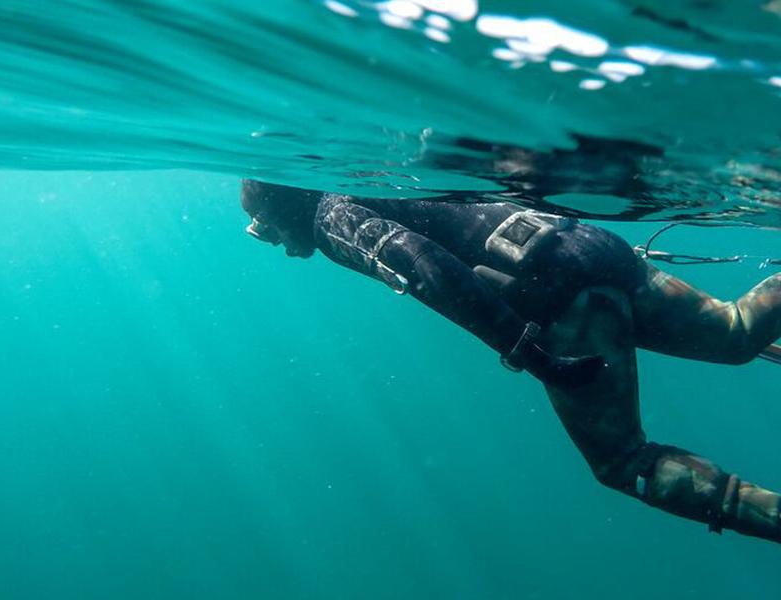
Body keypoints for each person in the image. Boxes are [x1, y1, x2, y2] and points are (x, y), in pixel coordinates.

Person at [240, 179, 781, 544]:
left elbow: (427, 269)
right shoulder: (370, 177)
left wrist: (531, 353)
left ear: (283, 206)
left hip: (563, 297)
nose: (266, 238)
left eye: (261, 222)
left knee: (622, 464)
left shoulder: (333, 217)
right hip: (591, 246)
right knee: (735, 333)